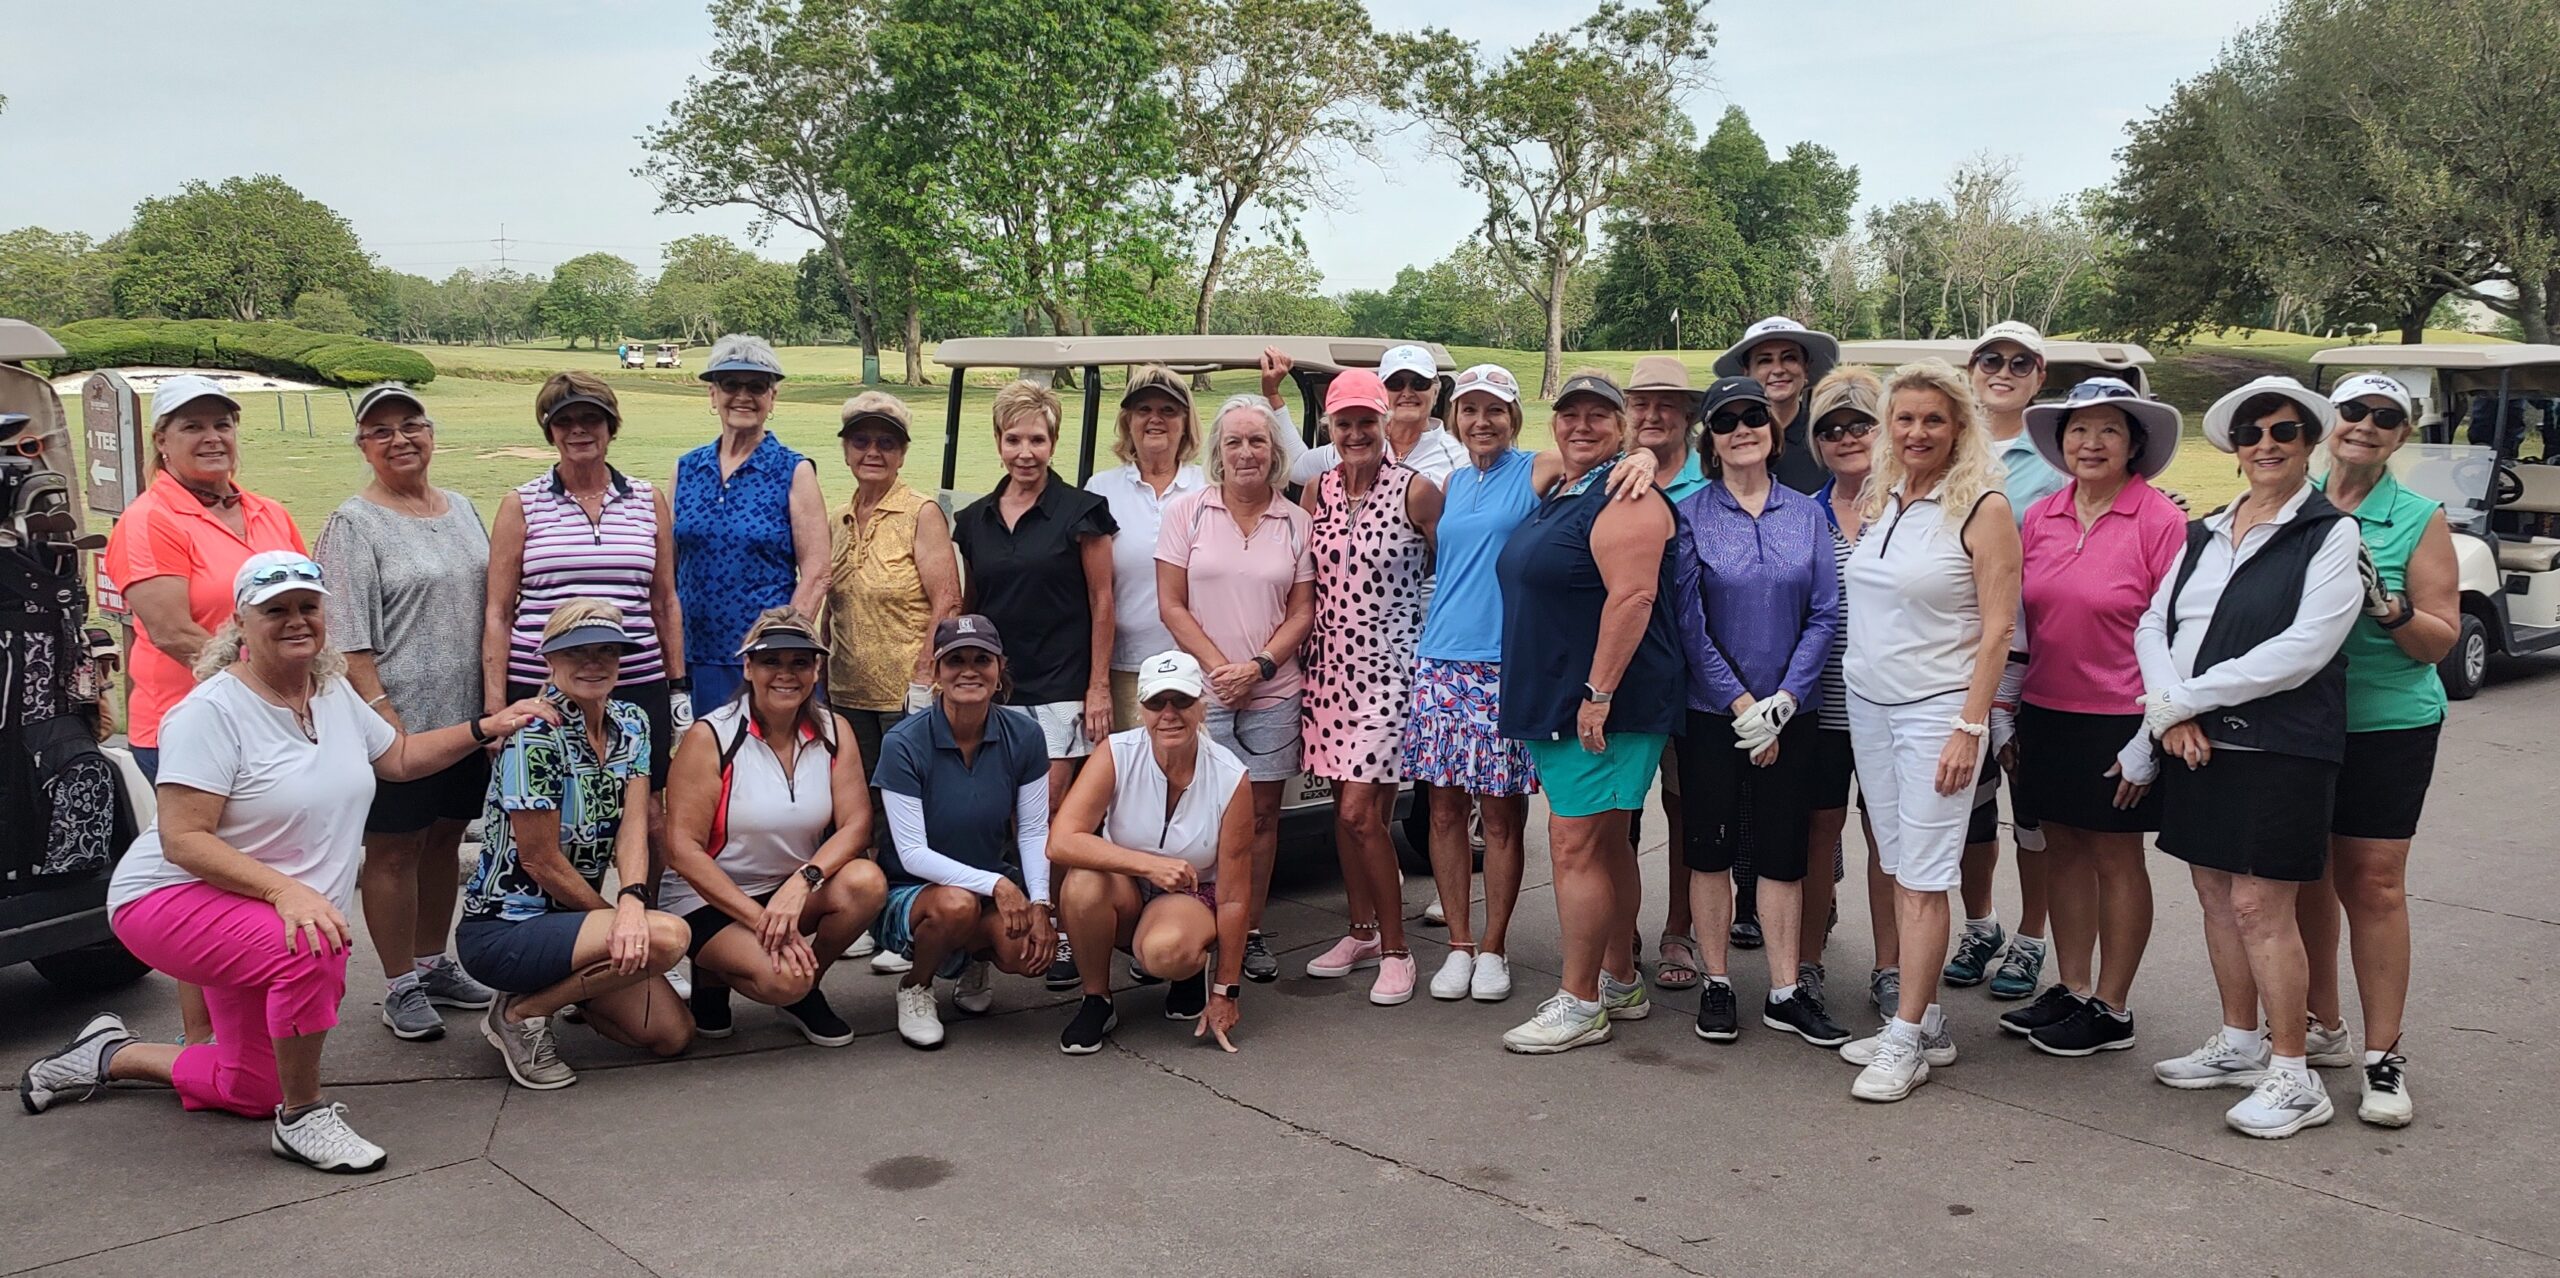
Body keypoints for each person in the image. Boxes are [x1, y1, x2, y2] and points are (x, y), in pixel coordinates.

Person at [17, 552, 553, 1171]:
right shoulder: (210, 712)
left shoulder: (329, 692)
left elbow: (400, 758)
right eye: (275, 610)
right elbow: (183, 840)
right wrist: (283, 893)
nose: (296, 620)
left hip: (256, 907)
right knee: (314, 945)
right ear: (240, 623)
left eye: (308, 607)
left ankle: (108, 1053)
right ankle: (303, 1117)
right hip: (168, 898)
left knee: (248, 1087)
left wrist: (490, 725)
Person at [2137, 376, 2364, 1139]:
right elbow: (2152, 625)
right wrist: (2170, 707)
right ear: (2234, 449)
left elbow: (2304, 649)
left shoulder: (2331, 533)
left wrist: (2183, 700)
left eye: (2285, 432)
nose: (2266, 444)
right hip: (2199, 740)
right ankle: (2239, 1042)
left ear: (2311, 444)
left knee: (2259, 907)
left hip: (2282, 745)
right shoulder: (2203, 531)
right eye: (2251, 433)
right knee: (2212, 897)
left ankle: (2295, 1073)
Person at [100, 373, 308, 1045]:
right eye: (192, 426)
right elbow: (171, 630)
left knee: (257, 867)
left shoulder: (267, 511)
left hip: (268, 719)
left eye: (222, 422)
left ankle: (245, 1033)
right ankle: (203, 1041)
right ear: (161, 441)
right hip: (185, 725)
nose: (212, 436)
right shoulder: (149, 520)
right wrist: (261, 681)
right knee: (208, 880)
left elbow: (300, 608)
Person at [1836, 359, 2021, 1103]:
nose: (1917, 432)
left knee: (1922, 877)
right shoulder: (1885, 499)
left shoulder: (1983, 507)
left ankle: (1906, 1039)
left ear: (1959, 428)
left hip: (1937, 712)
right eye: (1904, 418)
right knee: (1897, 861)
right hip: (1869, 706)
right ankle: (1927, 1024)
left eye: (1933, 420)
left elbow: (1999, 627)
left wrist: (1969, 727)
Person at [1996, 378, 2186, 1057]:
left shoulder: (2160, 520)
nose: (2091, 443)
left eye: (2108, 430)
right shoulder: (2041, 515)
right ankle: (2073, 988)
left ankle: (2113, 1005)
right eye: (2079, 430)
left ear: (2134, 443)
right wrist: (2004, 711)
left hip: (2121, 716)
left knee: (2114, 855)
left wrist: (2150, 737)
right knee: (2063, 850)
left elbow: (2177, 633)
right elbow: (2022, 621)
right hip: (2047, 708)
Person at [1495, 371, 1684, 1054]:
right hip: (1564, 698)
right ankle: (1620, 979)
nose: (1580, 425)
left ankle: (1579, 1003)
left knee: (1576, 846)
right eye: (1569, 413)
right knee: (1604, 843)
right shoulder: (1567, 487)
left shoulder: (1628, 498)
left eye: (1599, 415)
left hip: (1603, 705)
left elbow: (1632, 600)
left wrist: (1598, 695)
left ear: (1622, 424)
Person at [315, 383, 499, 1041]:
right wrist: (381, 712)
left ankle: (431, 963)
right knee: (393, 850)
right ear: (364, 445)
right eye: (381, 430)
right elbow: (345, 636)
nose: (400, 440)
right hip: (394, 720)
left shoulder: (465, 509)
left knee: (446, 838)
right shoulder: (354, 524)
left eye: (411, 425)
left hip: (465, 719)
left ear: (431, 432)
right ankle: (398, 985)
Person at [2299, 372, 2458, 1127]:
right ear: (2330, 421)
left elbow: (2439, 641)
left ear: (2402, 434)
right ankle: (2319, 1027)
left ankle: (2383, 1056)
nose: (2364, 425)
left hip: (2387, 721)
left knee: (2374, 883)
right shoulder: (2295, 497)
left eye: (2384, 417)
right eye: (2352, 411)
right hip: (2297, 721)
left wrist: (2389, 607)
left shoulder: (2419, 517)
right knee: (2303, 877)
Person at [1671, 376, 1845, 1048]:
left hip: (1790, 711)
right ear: (1710, 441)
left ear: (1774, 434)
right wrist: (1742, 704)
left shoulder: (1807, 516)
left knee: (1782, 854)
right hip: (1715, 714)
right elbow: (1690, 625)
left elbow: (1825, 611)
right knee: (1710, 850)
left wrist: (1784, 700)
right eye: (1726, 421)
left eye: (1754, 418)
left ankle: (1783, 990)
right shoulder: (1691, 517)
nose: (1742, 429)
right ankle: (1717, 981)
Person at [461, 601, 695, 1090]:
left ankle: (570, 986)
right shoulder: (534, 735)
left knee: (672, 1035)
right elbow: (539, 860)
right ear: (549, 658)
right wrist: (619, 922)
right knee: (667, 938)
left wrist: (631, 901)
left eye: (607, 651)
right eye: (577, 651)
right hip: (505, 929)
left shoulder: (631, 721)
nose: (594, 662)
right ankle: (520, 1012)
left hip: (577, 922)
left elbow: (635, 827)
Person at [661, 608, 885, 1045]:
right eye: (771, 662)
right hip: (707, 897)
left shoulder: (835, 731)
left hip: (787, 888)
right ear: (748, 666)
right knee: (782, 978)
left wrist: (804, 881)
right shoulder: (712, 736)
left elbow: (857, 824)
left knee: (867, 881)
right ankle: (715, 975)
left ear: (817, 669)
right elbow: (681, 848)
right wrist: (760, 918)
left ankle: (804, 988)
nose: (786, 674)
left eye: (800, 662)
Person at [1155, 395, 1315, 985]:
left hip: (1274, 691)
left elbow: (1303, 612)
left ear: (1274, 451)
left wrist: (1260, 667)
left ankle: (1247, 930)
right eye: (1234, 442)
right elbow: (1171, 604)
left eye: (1258, 441)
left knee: (1264, 820)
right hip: (1202, 691)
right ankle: (1190, 922)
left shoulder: (1297, 520)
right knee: (1192, 810)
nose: (1246, 452)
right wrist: (1225, 670)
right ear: (1217, 452)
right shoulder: (1189, 514)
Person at [1297, 369, 1442, 1005]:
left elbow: (1454, 571)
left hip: (1390, 673)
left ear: (1387, 424)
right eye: (1344, 423)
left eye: (1367, 422)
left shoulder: (1417, 491)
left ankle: (1396, 949)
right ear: (1330, 428)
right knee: (1350, 814)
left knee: (1361, 813)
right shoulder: (1315, 491)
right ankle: (1359, 932)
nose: (1355, 433)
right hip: (1326, 671)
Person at [484, 373, 687, 798]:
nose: (578, 430)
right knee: (548, 806)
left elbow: (665, 602)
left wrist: (677, 690)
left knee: (646, 809)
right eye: (564, 421)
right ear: (550, 431)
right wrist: (495, 705)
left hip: (635, 677)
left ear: (611, 426)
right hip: (541, 682)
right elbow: (499, 613)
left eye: (591, 419)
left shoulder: (648, 500)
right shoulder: (521, 504)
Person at [1050, 651, 1256, 1054]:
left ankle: (1188, 973)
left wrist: (1225, 990)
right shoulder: (1116, 752)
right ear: (1140, 708)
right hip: (1126, 888)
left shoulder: (1231, 777)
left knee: (1166, 952)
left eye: (1181, 700)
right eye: (1156, 702)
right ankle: (1097, 999)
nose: (1169, 713)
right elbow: (1061, 840)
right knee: (1081, 882)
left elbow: (1234, 897)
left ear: (1202, 706)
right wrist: (1150, 866)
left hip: (1189, 897)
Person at [1949, 321, 2070, 1002]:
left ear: (2038, 373)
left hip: (2031, 655)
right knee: (1969, 807)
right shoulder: (1949, 445)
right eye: (1990, 359)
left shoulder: (2053, 457)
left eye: (2019, 361)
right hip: (1955, 655)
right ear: (1972, 368)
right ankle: (1979, 923)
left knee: (2032, 811)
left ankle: (2031, 938)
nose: (2003, 370)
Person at [869, 615, 1058, 1049]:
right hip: (913, 891)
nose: (969, 670)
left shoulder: (1025, 734)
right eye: (955, 660)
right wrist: (1001, 886)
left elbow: (1031, 829)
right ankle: (916, 986)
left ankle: (974, 958)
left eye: (981, 659)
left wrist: (1042, 904)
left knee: (1026, 954)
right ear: (936, 672)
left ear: (999, 670)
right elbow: (913, 853)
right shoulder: (903, 742)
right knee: (956, 906)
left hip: (988, 884)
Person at [671, 335, 829, 710]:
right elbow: (669, 567)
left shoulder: (793, 470)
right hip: (693, 658)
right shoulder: (686, 469)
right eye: (730, 384)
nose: (743, 395)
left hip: (767, 664)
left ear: (772, 398)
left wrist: (781, 649)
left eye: (756, 386)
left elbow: (817, 572)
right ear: (713, 395)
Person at [822, 392, 962, 810]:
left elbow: (948, 601)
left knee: (906, 801)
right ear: (846, 451)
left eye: (886, 444)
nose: (872, 452)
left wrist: (924, 676)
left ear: (901, 454)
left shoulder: (920, 513)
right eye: (861, 441)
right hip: (846, 691)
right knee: (855, 800)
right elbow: (833, 604)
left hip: (903, 695)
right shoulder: (837, 517)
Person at [1622, 356, 1709, 985]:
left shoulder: (1716, 480)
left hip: (1698, 673)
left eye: (1666, 405)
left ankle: (1679, 930)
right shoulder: (1610, 476)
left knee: (1686, 808)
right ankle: (1618, 925)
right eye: (1641, 404)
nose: (1652, 416)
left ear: (1688, 416)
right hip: (1626, 670)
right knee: (1619, 811)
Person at [1806, 368, 1886, 1016]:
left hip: (1894, 710)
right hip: (1822, 707)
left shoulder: (1915, 510)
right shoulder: (1803, 517)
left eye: (1861, 423)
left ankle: (1891, 968)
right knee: (1816, 836)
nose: (1847, 437)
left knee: (1888, 840)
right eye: (1831, 429)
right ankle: (1806, 961)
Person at [1087, 365, 1206, 727]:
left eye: (1168, 411)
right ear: (1128, 422)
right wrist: (1098, 683)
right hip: (1126, 670)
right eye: (1144, 410)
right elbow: (1095, 593)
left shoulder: (1209, 487)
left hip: (1197, 669)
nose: (1156, 419)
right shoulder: (1101, 490)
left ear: (1185, 423)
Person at [1287, 344, 1465, 487]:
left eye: (1420, 383)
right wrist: (1273, 396)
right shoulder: (1356, 445)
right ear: (1381, 393)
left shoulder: (1461, 456)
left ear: (1435, 392)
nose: (1407, 392)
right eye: (1395, 384)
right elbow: (1296, 468)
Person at [1715, 317, 1838, 494]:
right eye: (1765, 360)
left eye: (1789, 358)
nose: (1778, 369)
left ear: (1806, 368)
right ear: (1747, 372)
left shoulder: (1827, 437)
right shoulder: (1725, 436)